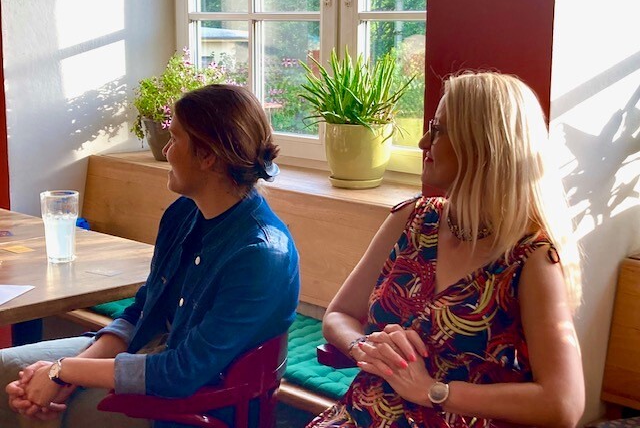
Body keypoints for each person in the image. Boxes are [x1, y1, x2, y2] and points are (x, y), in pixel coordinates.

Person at [0, 84, 300, 428]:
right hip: (150, 354)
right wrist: (68, 374)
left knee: (42, 409)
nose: (166, 151)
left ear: (207, 157)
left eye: (174, 138)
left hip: (199, 402)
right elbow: (143, 311)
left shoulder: (259, 255)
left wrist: (63, 371)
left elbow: (182, 372)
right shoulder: (182, 213)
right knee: (11, 372)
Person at [307, 72, 584, 428]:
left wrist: (433, 391)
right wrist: (365, 346)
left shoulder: (530, 259)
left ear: (482, 145)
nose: (423, 141)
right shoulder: (412, 218)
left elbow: (563, 404)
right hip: (362, 414)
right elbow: (339, 314)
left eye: (438, 130)